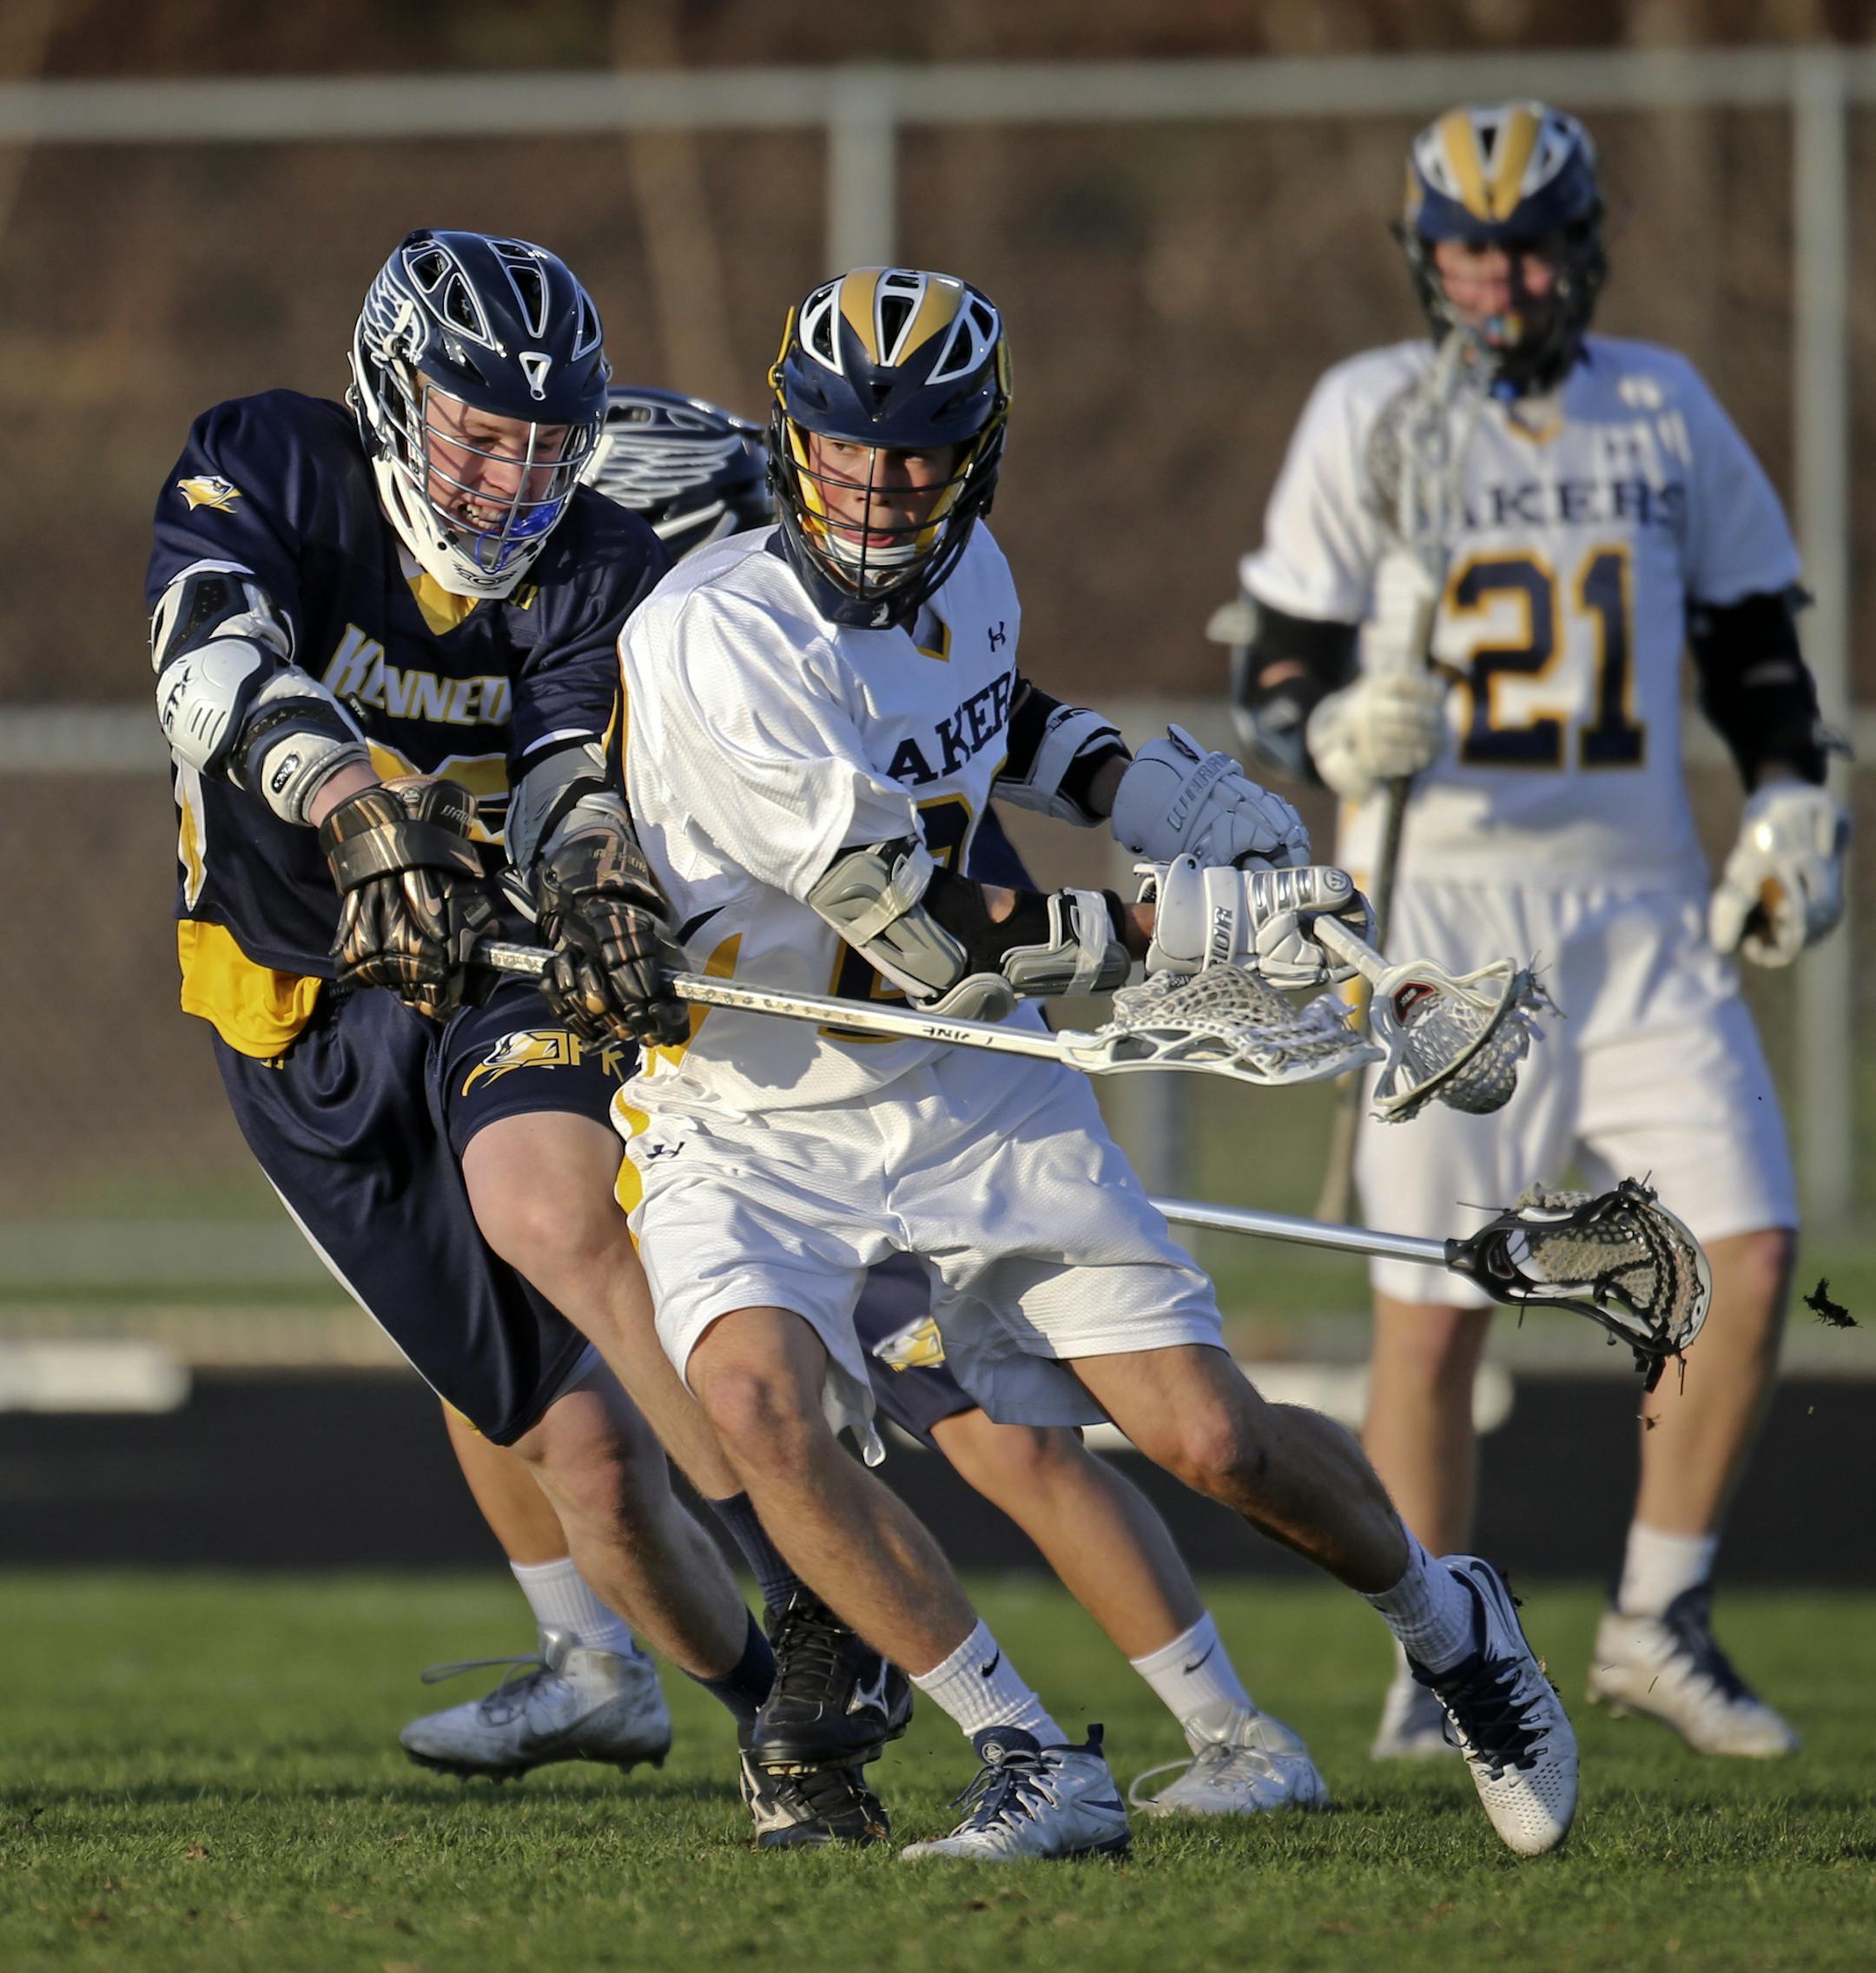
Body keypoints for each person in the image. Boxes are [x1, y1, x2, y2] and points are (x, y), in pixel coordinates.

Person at [597, 264, 1579, 1862]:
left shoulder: (970, 564)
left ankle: (1447, 1615)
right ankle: (1031, 1757)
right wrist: (1173, 927)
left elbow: (992, 713)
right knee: (756, 1403)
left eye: (915, 453)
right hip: (755, 1100)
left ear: (976, 454)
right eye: (843, 446)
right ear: (790, 438)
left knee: (1212, 1441)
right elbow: (909, 926)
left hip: (976, 1088)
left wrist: (1144, 788)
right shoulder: (718, 636)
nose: (875, 484)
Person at [401, 387, 1327, 1822]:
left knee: (1001, 1427)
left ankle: (1216, 1727)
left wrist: (1143, 807)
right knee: (681, 1350)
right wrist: (573, 874)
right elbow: (564, 782)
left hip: (904, 1051)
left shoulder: (786, 620)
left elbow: (963, 801)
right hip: (755, 1080)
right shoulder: (644, 643)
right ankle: (799, 1648)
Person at [144, 232, 890, 1846]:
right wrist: (356, 810)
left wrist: (594, 872)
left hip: (488, 963)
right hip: (294, 1001)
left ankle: (819, 1593)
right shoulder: (266, 459)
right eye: (474, 433)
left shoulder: (590, 551)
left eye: (543, 443)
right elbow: (214, 664)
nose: (505, 478)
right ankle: (771, 1715)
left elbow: (561, 755)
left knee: (564, 1221)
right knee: (580, 1466)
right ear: (386, 390)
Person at [1227, 103, 1845, 1761]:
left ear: (1583, 247)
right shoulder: (1369, 409)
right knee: (1437, 1310)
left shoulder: (1661, 405)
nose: (1495, 278)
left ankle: (1658, 1613)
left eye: (1522, 245)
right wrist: (1337, 728)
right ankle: (1443, 1660)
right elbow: (1273, 669)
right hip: (1440, 908)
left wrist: (1795, 799)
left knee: (1745, 1243)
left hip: (1637, 902)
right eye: (1465, 248)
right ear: (1425, 259)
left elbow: (1753, 649)